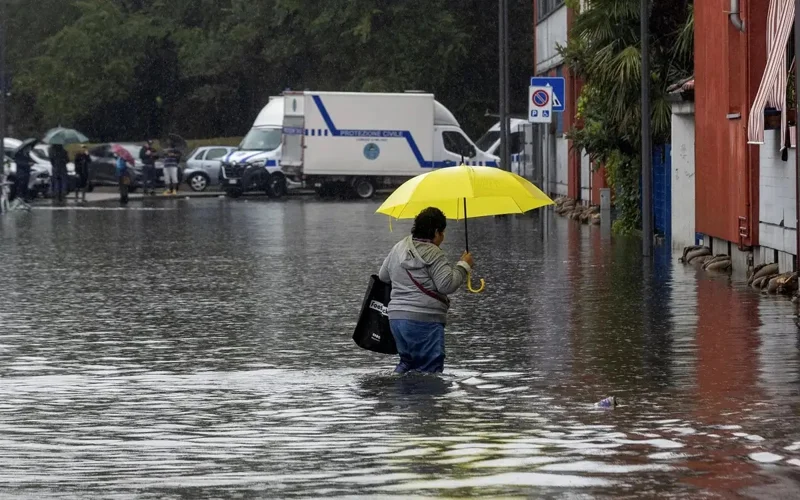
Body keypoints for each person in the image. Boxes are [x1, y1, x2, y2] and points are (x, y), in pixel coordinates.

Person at [378, 207, 475, 374]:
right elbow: (447, 285)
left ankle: (399, 398)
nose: (443, 238)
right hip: (424, 320)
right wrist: (464, 266)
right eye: (443, 233)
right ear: (437, 232)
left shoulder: (399, 247)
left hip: (396, 320)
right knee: (430, 370)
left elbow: (383, 276)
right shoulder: (434, 253)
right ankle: (423, 400)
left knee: (407, 364)